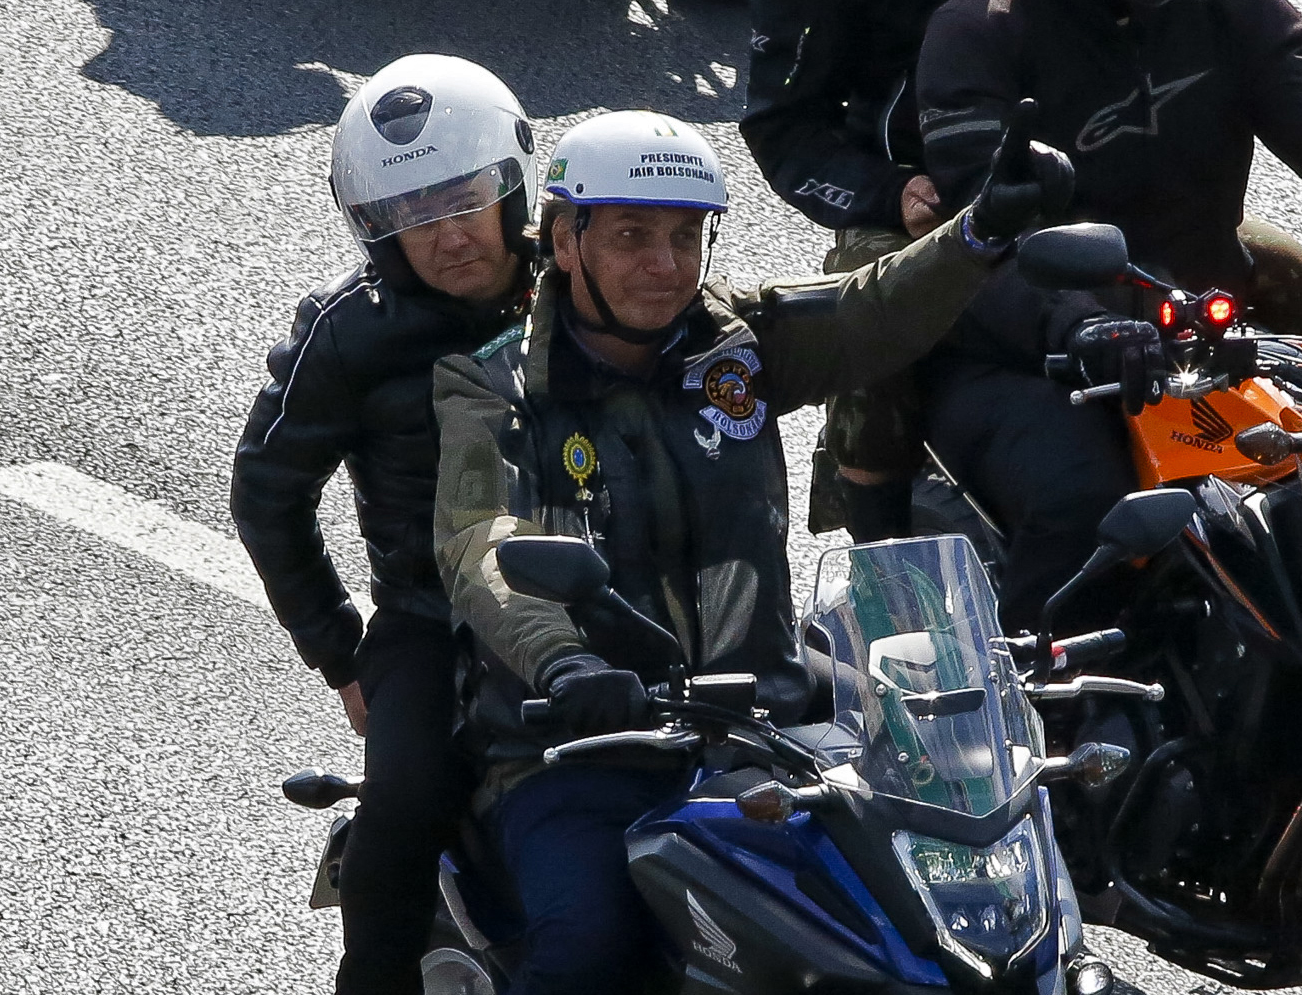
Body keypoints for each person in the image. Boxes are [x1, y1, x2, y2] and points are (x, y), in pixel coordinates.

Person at [431, 109, 1072, 995]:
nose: (666, 265)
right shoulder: (494, 385)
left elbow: (868, 310)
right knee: (587, 950)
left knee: (957, 876)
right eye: (631, 236)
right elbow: (484, 541)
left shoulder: (733, 340)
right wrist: (568, 664)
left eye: (686, 236)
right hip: (589, 737)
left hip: (762, 708)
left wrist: (981, 231)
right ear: (564, 239)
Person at [229, 54, 537, 995]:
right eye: (409, 215)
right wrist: (341, 653)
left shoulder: (588, 279)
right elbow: (265, 492)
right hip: (429, 619)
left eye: (463, 197)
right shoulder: (346, 330)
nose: (446, 236)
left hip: (611, 590)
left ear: (514, 187)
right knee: (403, 805)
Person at [913, 0, 1302, 634]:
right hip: (1031, 349)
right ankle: (1051, 723)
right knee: (1085, 504)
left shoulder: (1236, 13)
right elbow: (984, 234)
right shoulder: (982, 28)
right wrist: (1078, 325)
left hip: (1200, 337)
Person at [741, 0, 948, 539]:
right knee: (873, 297)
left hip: (1098, 185)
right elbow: (780, 124)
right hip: (915, 204)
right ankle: (880, 553)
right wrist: (891, 193)